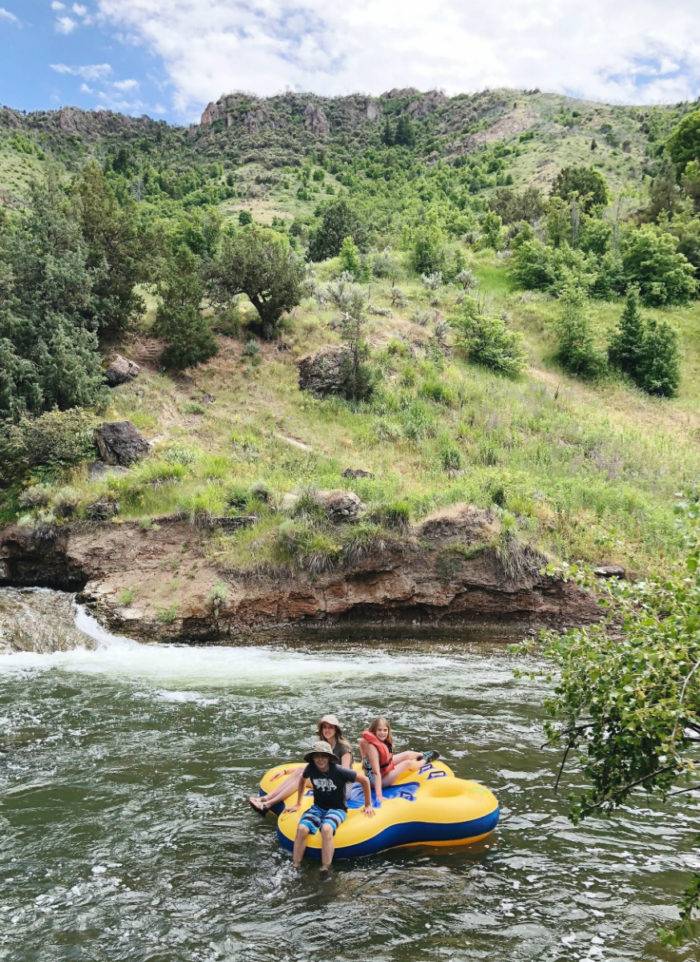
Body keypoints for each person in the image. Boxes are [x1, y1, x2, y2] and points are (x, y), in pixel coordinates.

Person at [286, 740, 373, 872]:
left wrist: (368, 804)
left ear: (329, 757)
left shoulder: (339, 771)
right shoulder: (311, 768)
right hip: (318, 808)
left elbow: (364, 780)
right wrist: (298, 802)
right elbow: (302, 779)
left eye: (323, 756)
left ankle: (325, 867)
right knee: (302, 828)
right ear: (313, 758)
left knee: (326, 828)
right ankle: (296, 865)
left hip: (337, 808)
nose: (320, 759)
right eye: (317, 756)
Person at [248, 714, 353, 814]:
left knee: (301, 777)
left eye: (330, 727)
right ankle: (265, 798)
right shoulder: (323, 745)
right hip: (326, 778)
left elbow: (345, 774)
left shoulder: (344, 748)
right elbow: (312, 766)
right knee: (299, 771)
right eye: (324, 727)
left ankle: (268, 805)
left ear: (336, 729)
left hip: (340, 788)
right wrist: (286, 771)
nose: (327, 730)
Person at [358, 717, 439, 807]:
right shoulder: (372, 749)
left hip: (382, 769)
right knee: (407, 763)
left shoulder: (364, 742)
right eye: (379, 730)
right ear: (374, 731)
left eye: (385, 730)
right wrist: (379, 796)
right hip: (377, 782)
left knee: (407, 754)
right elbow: (376, 773)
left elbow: (363, 753)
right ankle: (425, 760)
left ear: (388, 731)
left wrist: (365, 763)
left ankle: (422, 754)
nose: (382, 733)